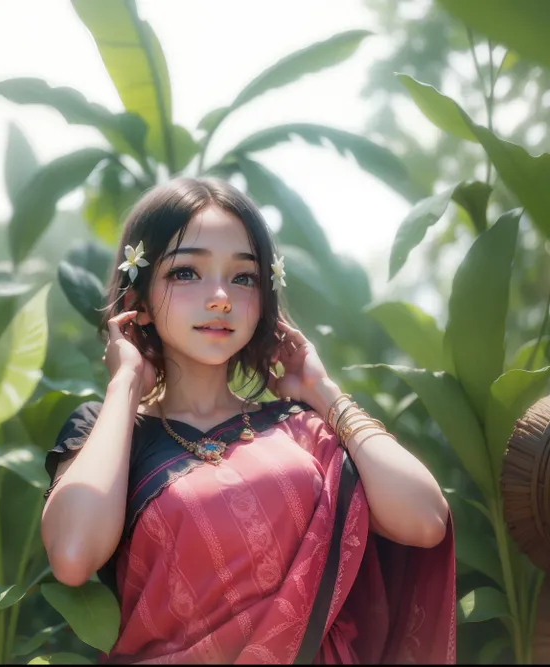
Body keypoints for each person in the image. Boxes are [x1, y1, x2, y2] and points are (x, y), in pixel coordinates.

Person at [41, 178, 456, 664]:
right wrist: (125, 383)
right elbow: (72, 556)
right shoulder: (107, 435)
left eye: (243, 278)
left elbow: (427, 521)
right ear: (141, 298)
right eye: (186, 273)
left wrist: (322, 393)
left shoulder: (301, 428)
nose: (220, 297)